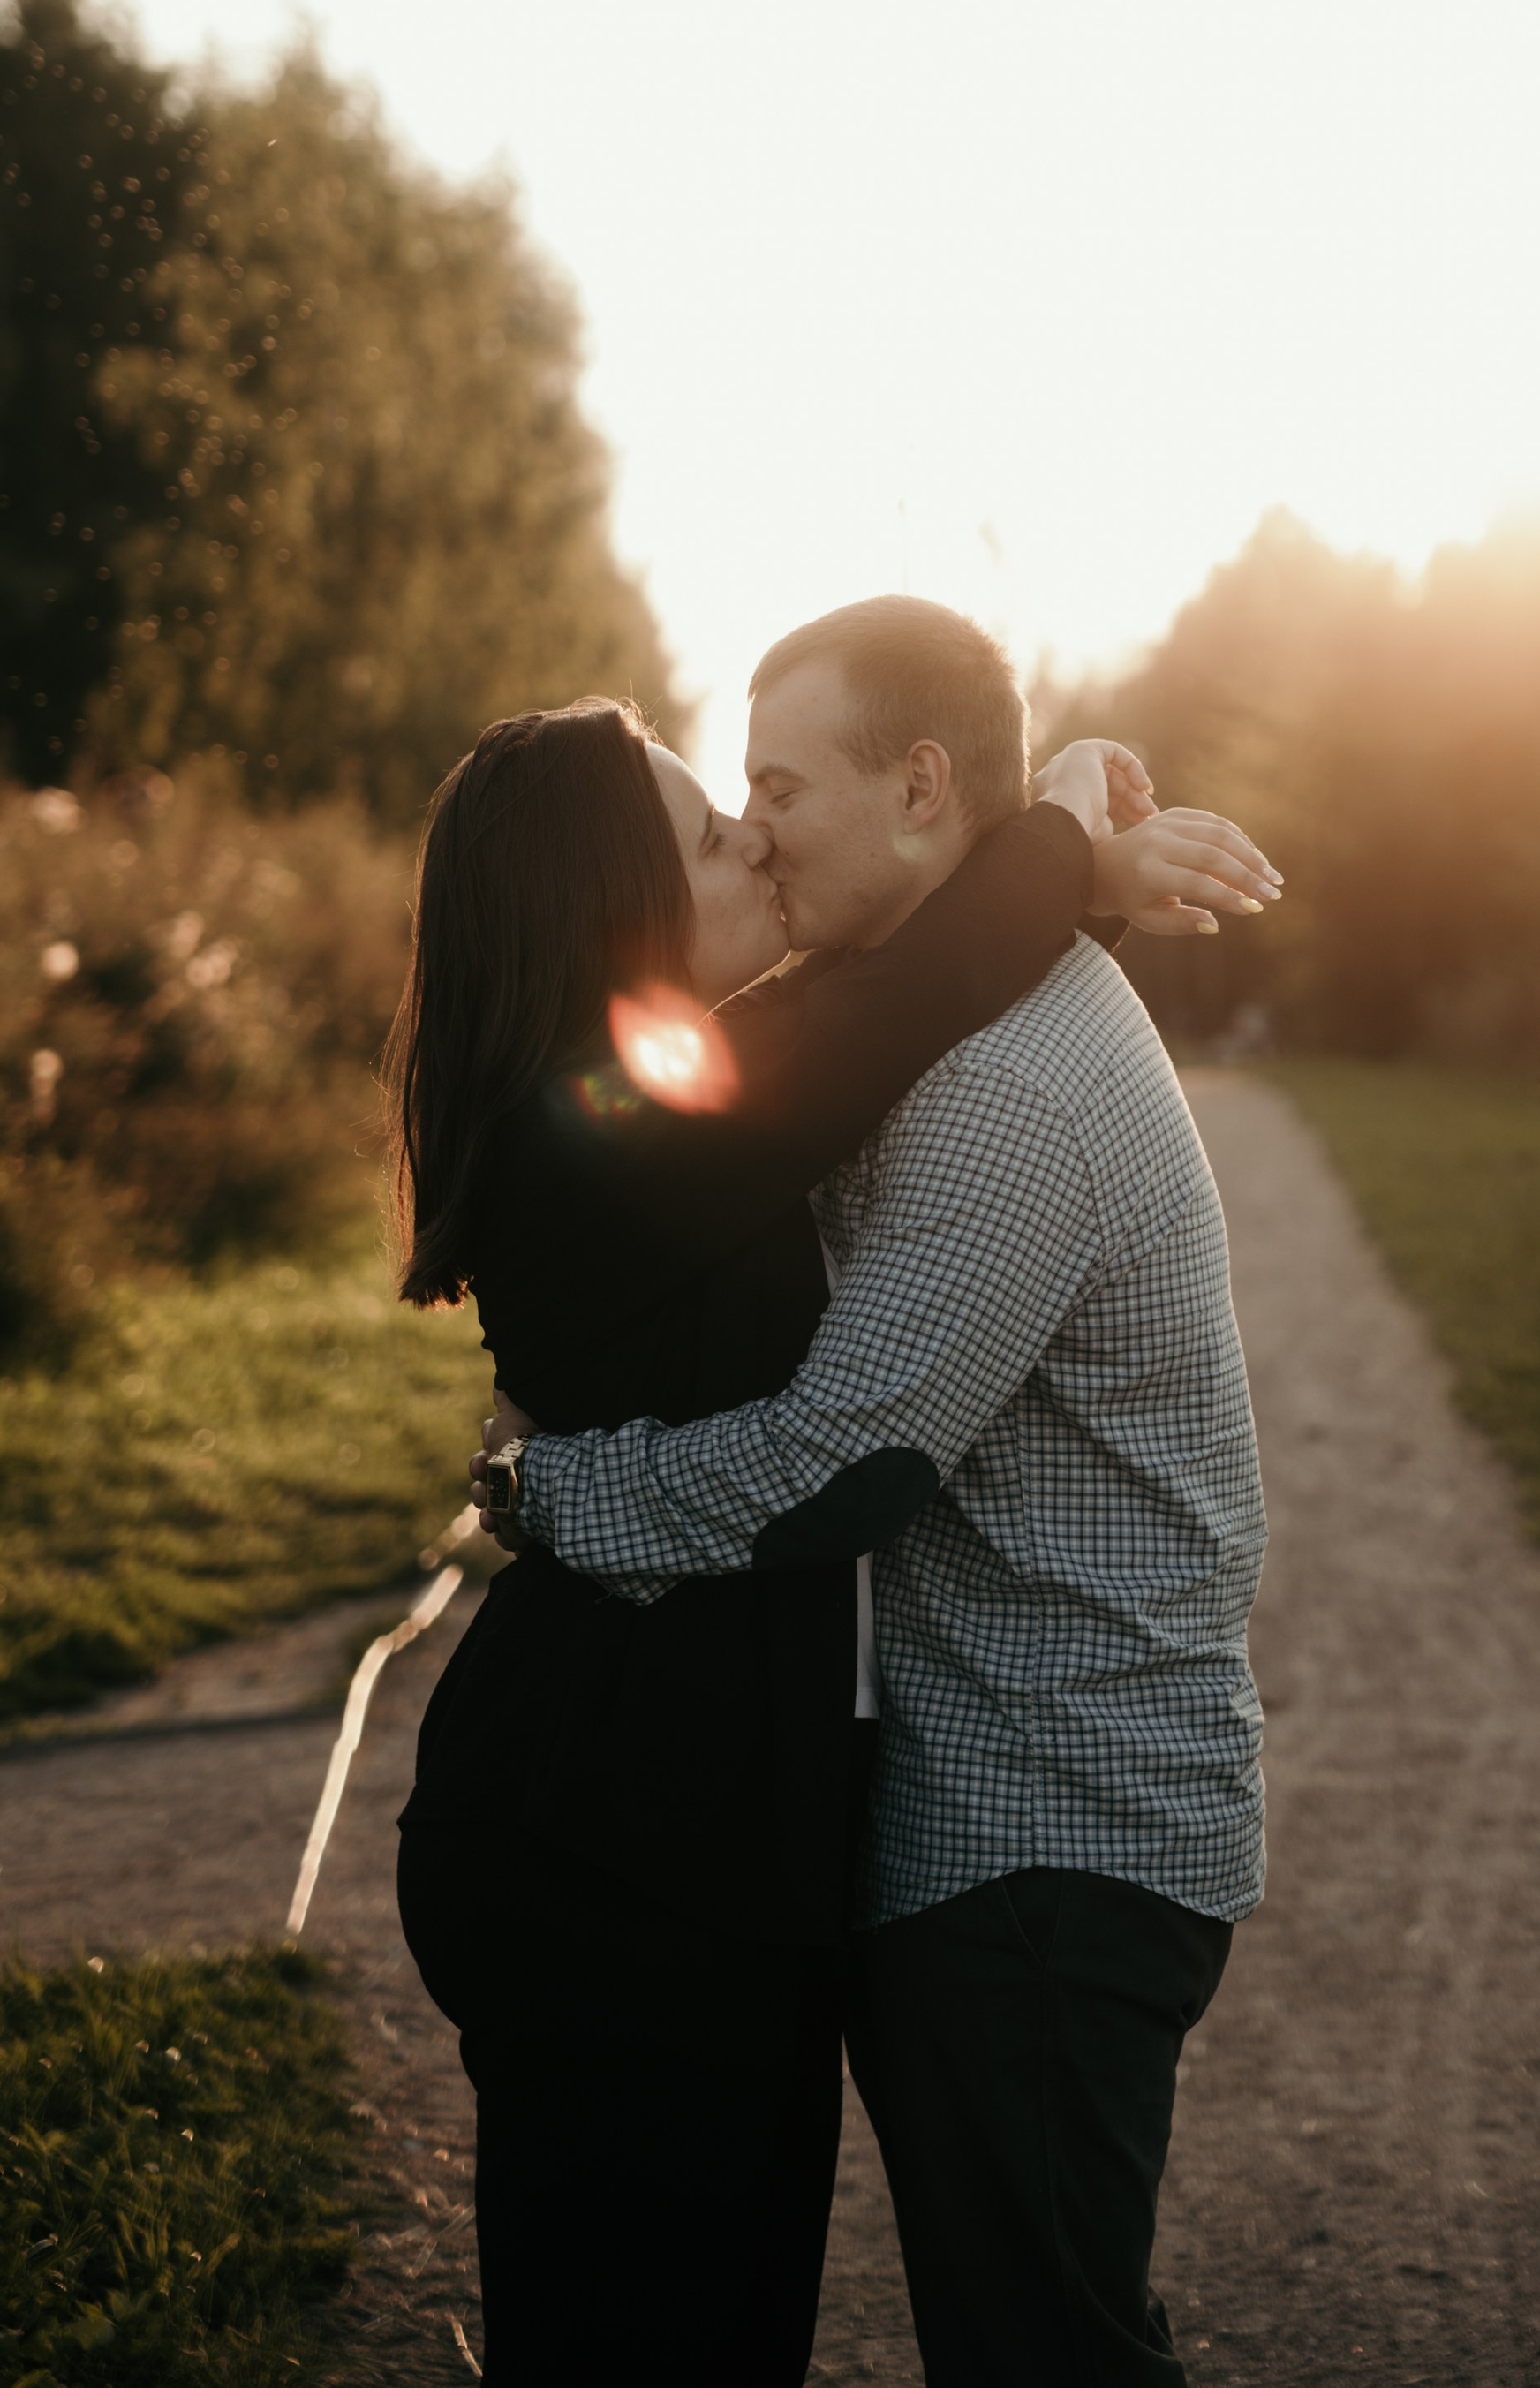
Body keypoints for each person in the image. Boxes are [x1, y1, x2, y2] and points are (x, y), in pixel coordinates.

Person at [388, 686, 1272, 2384]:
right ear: (613, 918)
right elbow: (919, 986)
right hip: (616, 1853)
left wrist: (1059, 826)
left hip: (697, 1839)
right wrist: (1061, 842)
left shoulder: (677, 1085)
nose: (759, 840)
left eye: (760, 803)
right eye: (718, 833)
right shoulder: (619, 1134)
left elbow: (887, 991)